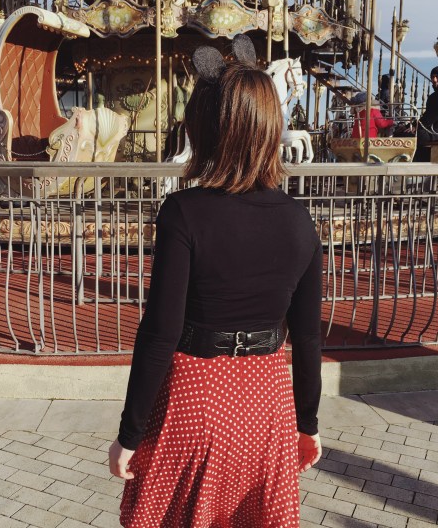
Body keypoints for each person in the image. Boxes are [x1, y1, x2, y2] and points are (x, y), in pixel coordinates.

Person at [109, 45, 323, 527]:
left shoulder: (183, 213)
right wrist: (306, 424)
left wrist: (129, 434)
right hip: (268, 407)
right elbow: (309, 336)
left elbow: (160, 332)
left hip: (196, 401)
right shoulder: (299, 222)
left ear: (205, 130)